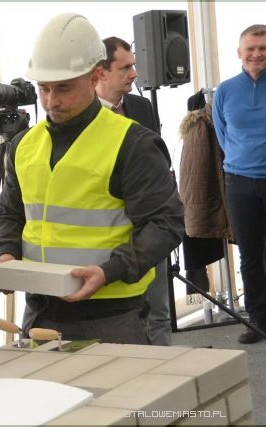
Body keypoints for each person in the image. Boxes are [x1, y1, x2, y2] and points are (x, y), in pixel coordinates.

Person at [0, 13, 184, 345]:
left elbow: (166, 223)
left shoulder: (132, 143)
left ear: (95, 76)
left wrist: (109, 271)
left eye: (63, 88)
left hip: (112, 316)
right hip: (41, 312)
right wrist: (6, 253)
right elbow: (9, 213)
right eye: (43, 89)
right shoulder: (24, 145)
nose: (51, 101)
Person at [95, 36, 172, 346]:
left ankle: (165, 371)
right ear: (101, 72)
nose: (134, 74)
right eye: (125, 68)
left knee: (160, 313)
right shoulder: (84, 115)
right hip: (111, 236)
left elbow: (160, 160)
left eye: (134, 66)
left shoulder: (141, 106)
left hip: (151, 227)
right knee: (121, 321)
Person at [212, 24, 266, 344]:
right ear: (239, 52)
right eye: (250, 48)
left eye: (263, 48)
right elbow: (223, 135)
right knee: (249, 254)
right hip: (238, 181)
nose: (257, 54)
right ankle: (259, 321)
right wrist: (242, 161)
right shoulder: (225, 91)